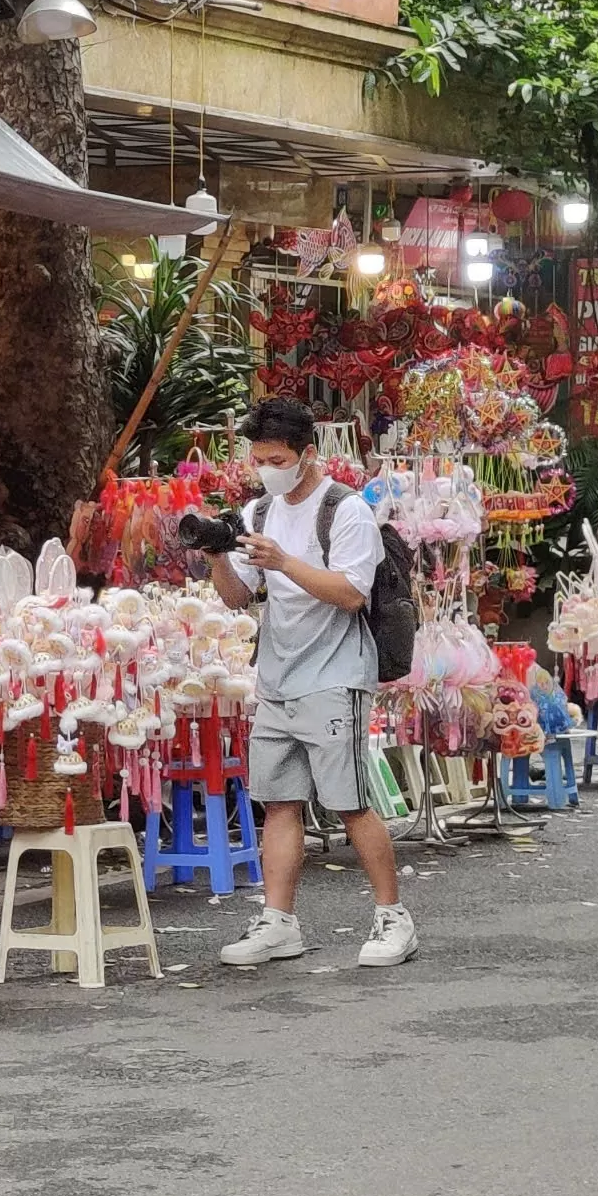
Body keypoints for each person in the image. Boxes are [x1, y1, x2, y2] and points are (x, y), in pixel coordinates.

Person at [205, 398, 416, 970]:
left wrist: (281, 561)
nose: (266, 468)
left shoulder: (345, 511)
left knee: (350, 803)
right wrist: (217, 556)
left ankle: (393, 918)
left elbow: (351, 593)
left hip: (335, 674)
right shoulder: (258, 512)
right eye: (259, 459)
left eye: (276, 458)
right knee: (278, 801)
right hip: (276, 675)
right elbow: (236, 597)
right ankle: (278, 923)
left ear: (307, 455)